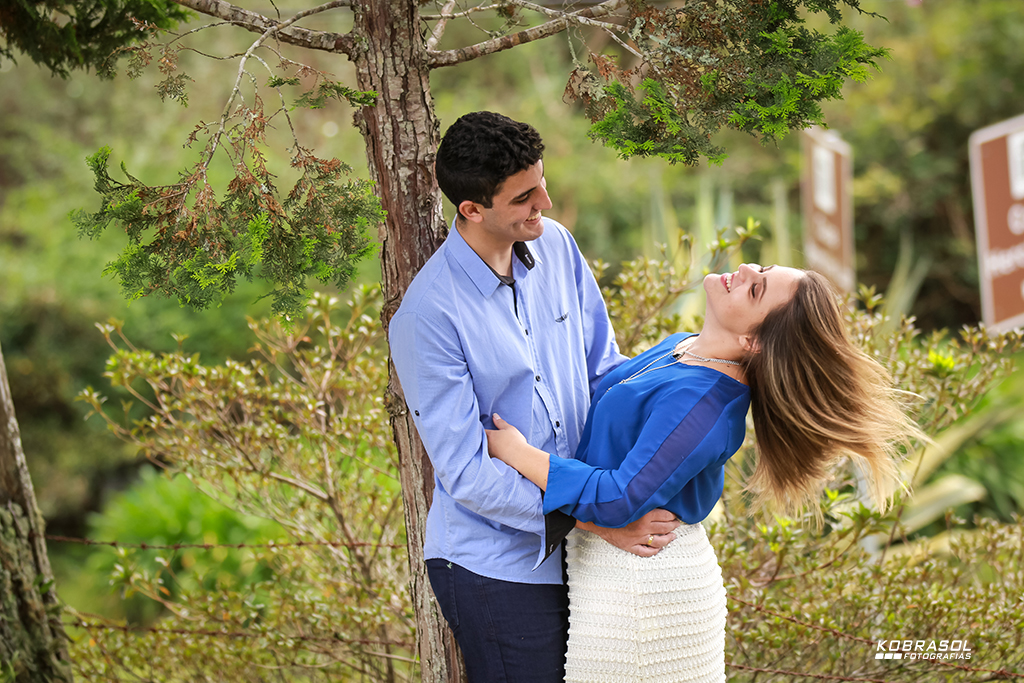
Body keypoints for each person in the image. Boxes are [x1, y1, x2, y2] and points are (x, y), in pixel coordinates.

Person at [486, 264, 922, 682]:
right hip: (615, 571)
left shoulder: (703, 405)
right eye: (763, 270)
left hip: (644, 593)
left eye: (757, 290)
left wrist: (518, 453)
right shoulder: (685, 347)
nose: (748, 270)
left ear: (753, 341)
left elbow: (619, 497)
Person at [388, 111, 679, 682]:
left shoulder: (559, 248)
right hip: (499, 568)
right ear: (472, 209)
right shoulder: (427, 317)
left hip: (585, 547)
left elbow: (604, 374)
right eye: (524, 196)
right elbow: (468, 474)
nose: (544, 201)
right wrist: (595, 520)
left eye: (541, 182)